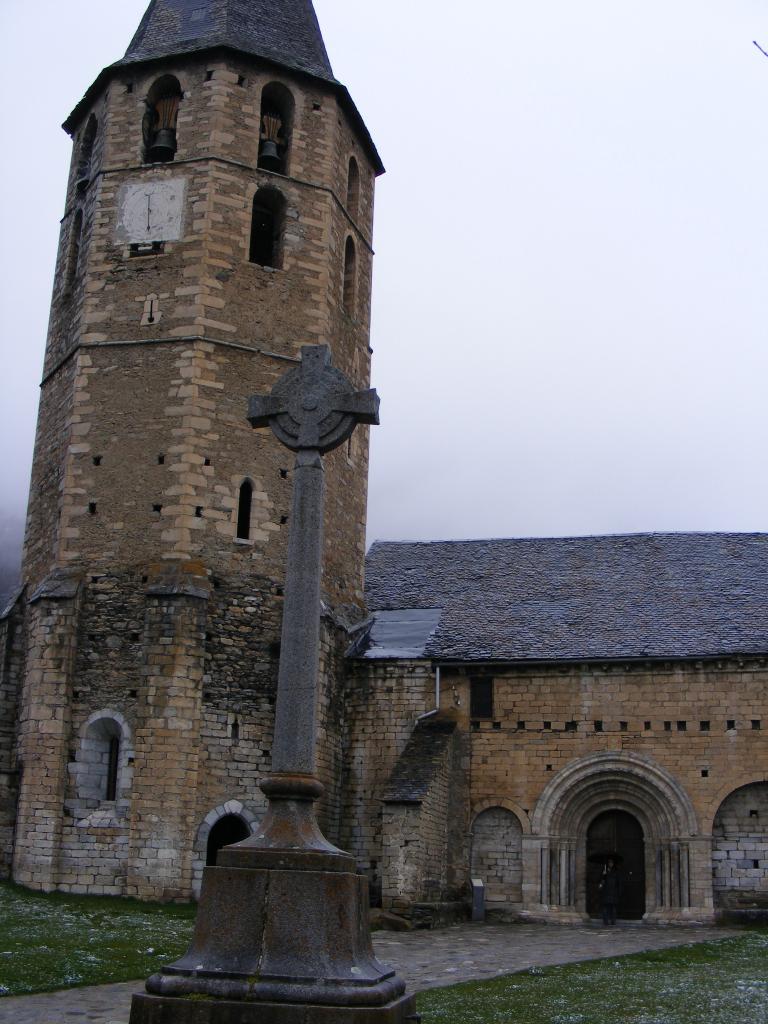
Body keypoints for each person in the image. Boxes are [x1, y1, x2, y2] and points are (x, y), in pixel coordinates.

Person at [599, 858, 621, 926]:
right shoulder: (604, 871)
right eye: (609, 863)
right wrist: (603, 875)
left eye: (612, 863)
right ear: (607, 863)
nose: (611, 864)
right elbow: (601, 880)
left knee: (613, 908)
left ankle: (613, 921)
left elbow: (618, 882)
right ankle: (606, 922)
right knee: (605, 907)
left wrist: (619, 891)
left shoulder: (616, 871)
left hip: (613, 892)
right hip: (606, 892)